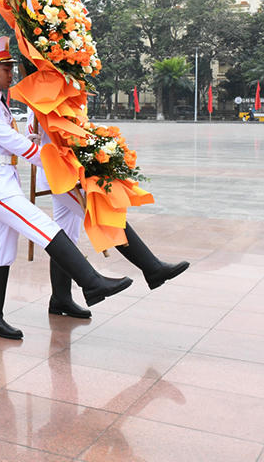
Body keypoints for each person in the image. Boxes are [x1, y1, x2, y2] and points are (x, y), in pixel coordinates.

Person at [0, 37, 131, 340]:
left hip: (1, 182)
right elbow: (19, 145)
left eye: (11, 67)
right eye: (5, 68)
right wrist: (68, 164)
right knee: (44, 228)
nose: (11, 74)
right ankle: (91, 281)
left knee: (2, 250)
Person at [25, 110, 190, 319]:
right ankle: (152, 268)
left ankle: (60, 298)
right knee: (105, 215)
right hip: (60, 174)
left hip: (66, 172)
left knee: (65, 235)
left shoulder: (64, 92)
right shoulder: (48, 94)